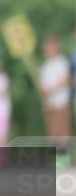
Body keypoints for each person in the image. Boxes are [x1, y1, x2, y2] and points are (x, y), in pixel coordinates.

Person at [38, 33, 72, 165]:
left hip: (61, 103)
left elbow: (64, 81)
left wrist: (50, 89)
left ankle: (63, 159)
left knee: (63, 133)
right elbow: (43, 88)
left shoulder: (62, 62)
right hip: (50, 104)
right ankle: (57, 159)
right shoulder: (45, 66)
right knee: (53, 134)